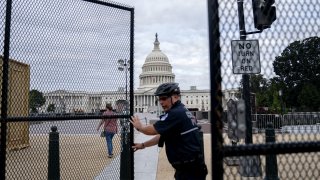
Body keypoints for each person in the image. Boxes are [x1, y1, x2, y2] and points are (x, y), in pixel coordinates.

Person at [130, 82, 208, 180]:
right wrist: (143, 145)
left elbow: (152, 130)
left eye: (164, 98)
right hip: (190, 168)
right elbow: (163, 135)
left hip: (190, 171)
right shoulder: (183, 110)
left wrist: (139, 127)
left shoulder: (175, 114)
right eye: (159, 99)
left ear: (175, 97)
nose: (161, 102)